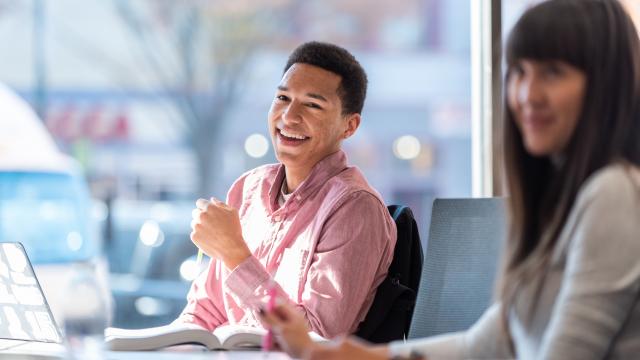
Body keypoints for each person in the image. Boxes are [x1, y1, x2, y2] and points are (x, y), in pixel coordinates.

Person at [259, 0, 640, 358]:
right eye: (520, 72)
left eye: (553, 73)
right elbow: (493, 339)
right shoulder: (561, 203)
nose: (528, 93)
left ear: (608, 83)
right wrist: (355, 355)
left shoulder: (614, 193)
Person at [177, 41, 397, 339]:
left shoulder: (355, 207)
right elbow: (203, 313)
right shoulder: (247, 190)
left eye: (312, 105)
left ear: (349, 126)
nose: (289, 117)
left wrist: (236, 255)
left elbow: (317, 338)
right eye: (283, 98)